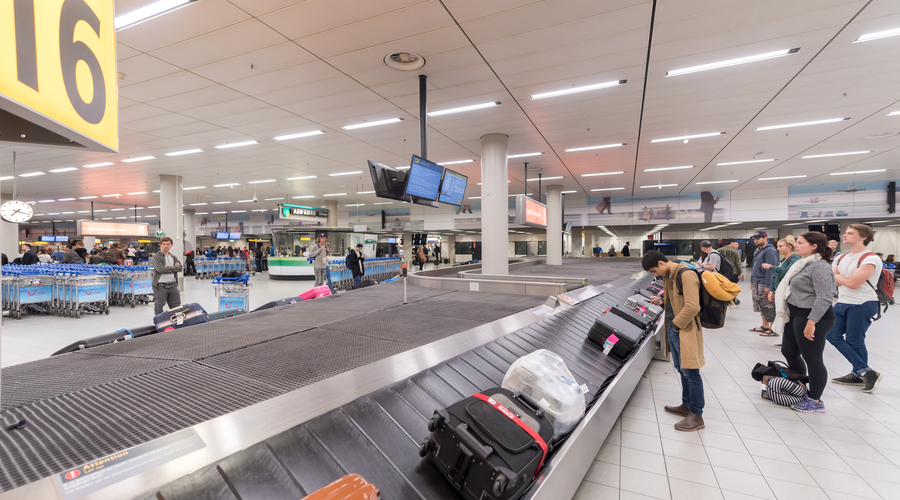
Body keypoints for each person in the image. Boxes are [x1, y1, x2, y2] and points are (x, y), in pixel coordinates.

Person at [771, 232, 836, 413]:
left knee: (812, 358)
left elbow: (824, 297)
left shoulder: (820, 267)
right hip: (796, 314)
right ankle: (800, 387)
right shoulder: (803, 263)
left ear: (814, 245)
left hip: (813, 317)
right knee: (788, 351)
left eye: (800, 243)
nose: (796, 245)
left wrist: (812, 321)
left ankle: (815, 400)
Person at [642, 250, 705, 431]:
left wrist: (676, 325)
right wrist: (662, 302)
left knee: (691, 372)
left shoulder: (685, 274)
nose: (655, 275)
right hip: (674, 329)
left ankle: (697, 415)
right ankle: (687, 405)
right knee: (681, 369)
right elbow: (677, 301)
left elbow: (693, 306)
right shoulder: (670, 275)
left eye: (654, 271)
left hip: (685, 329)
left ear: (662, 263)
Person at [827, 224, 884, 393]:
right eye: (845, 232)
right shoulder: (841, 257)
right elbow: (834, 280)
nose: (845, 235)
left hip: (862, 304)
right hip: (842, 302)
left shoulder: (870, 258)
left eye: (850, 233)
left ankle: (858, 374)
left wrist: (839, 277)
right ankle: (865, 372)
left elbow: (853, 283)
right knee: (831, 334)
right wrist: (841, 278)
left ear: (863, 237)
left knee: (854, 340)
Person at [762, 236, 802, 338]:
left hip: (789, 292)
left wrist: (771, 267)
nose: (778, 248)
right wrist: (771, 290)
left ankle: (791, 339)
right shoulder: (784, 260)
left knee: (789, 315)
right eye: (777, 246)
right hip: (779, 290)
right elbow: (776, 276)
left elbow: (788, 272)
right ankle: (786, 338)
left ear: (789, 247)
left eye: (780, 246)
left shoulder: (795, 258)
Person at [750, 231, 779, 335]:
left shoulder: (770, 251)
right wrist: (752, 281)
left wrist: (769, 286)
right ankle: (765, 325)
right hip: (757, 281)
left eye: (758, 238)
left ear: (765, 238)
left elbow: (771, 269)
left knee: (768, 305)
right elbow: (754, 266)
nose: (756, 240)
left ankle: (773, 328)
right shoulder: (758, 250)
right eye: (754, 238)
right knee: (761, 305)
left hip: (764, 282)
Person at [152, 237, 182, 315]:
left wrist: (168, 267)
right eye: (164, 244)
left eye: (168, 244)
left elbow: (180, 268)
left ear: (171, 245)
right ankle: (159, 323)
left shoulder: (173, 257)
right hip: (160, 285)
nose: (166, 246)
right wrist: (173, 268)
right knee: (159, 306)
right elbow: (160, 269)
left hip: (173, 284)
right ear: (161, 245)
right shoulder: (157, 257)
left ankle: (177, 323)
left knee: (176, 306)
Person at [717, 240, 742, 306]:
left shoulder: (718, 250)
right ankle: (731, 302)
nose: (736, 245)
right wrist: (739, 273)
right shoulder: (735, 252)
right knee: (732, 288)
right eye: (735, 243)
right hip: (733, 272)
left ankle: (723, 302)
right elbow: (738, 264)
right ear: (731, 243)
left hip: (721, 272)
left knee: (722, 287)